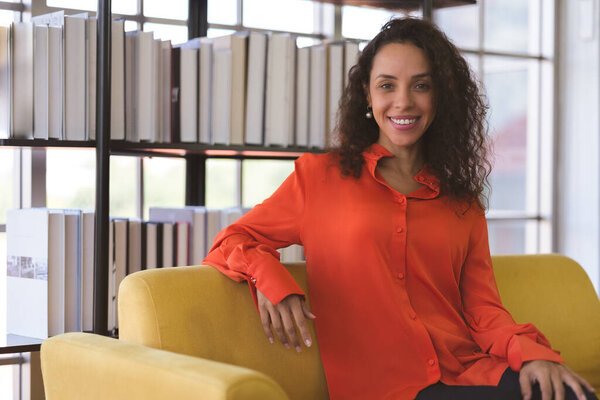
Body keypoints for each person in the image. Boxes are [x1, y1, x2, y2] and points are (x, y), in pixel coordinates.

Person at [203, 17, 597, 400]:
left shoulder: (462, 200)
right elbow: (230, 241)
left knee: (565, 392)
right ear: (367, 93)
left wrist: (533, 358)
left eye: (420, 86)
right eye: (387, 85)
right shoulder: (318, 179)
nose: (403, 102)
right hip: (387, 387)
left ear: (439, 95)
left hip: (466, 371)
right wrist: (274, 284)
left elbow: (483, 310)